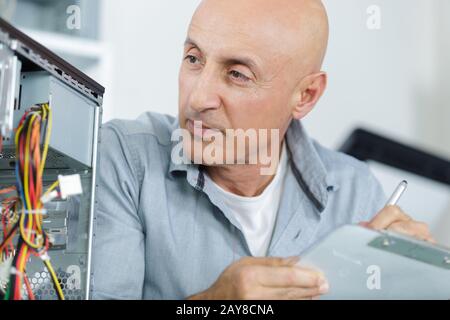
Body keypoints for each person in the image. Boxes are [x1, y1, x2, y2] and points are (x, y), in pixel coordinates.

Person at [92, 0, 434, 300]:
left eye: (238, 74)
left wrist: (413, 281)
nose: (197, 98)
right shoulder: (124, 160)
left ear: (306, 96)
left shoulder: (356, 192)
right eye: (194, 58)